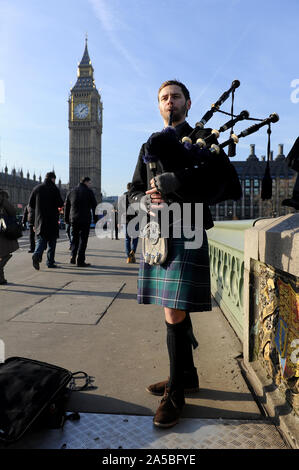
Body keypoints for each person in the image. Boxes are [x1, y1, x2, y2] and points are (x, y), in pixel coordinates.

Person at [129, 80, 241, 428]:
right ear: (158, 106)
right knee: (172, 306)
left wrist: (180, 181)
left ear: (188, 103)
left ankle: (176, 391)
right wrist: (145, 200)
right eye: (163, 97)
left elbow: (226, 183)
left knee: (173, 308)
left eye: (175, 96)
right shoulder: (149, 144)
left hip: (188, 225)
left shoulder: (205, 138)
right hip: (158, 231)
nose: (170, 101)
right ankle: (187, 376)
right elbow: (132, 191)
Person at [29, 172, 64, 270]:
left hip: (40, 220)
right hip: (52, 220)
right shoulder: (54, 189)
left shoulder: (36, 188)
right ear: (53, 179)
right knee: (52, 242)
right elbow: (60, 203)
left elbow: (31, 204)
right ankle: (50, 262)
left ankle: (36, 254)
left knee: (41, 240)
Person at [65, 176, 97, 267]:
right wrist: (96, 220)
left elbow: (67, 206)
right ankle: (80, 261)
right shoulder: (89, 192)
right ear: (86, 182)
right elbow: (95, 206)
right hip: (85, 219)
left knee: (74, 239)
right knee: (83, 240)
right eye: (89, 183)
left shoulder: (71, 191)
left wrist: (66, 219)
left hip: (74, 219)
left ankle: (72, 256)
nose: (90, 185)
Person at [0, 189, 19, 285]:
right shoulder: (2, 199)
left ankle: (1, 278)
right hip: (3, 230)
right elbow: (13, 212)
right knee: (5, 253)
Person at [121, 182, 139, 263]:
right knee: (135, 238)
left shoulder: (123, 196)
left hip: (126, 220)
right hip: (135, 219)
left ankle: (128, 257)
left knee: (127, 239)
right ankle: (133, 252)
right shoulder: (135, 195)